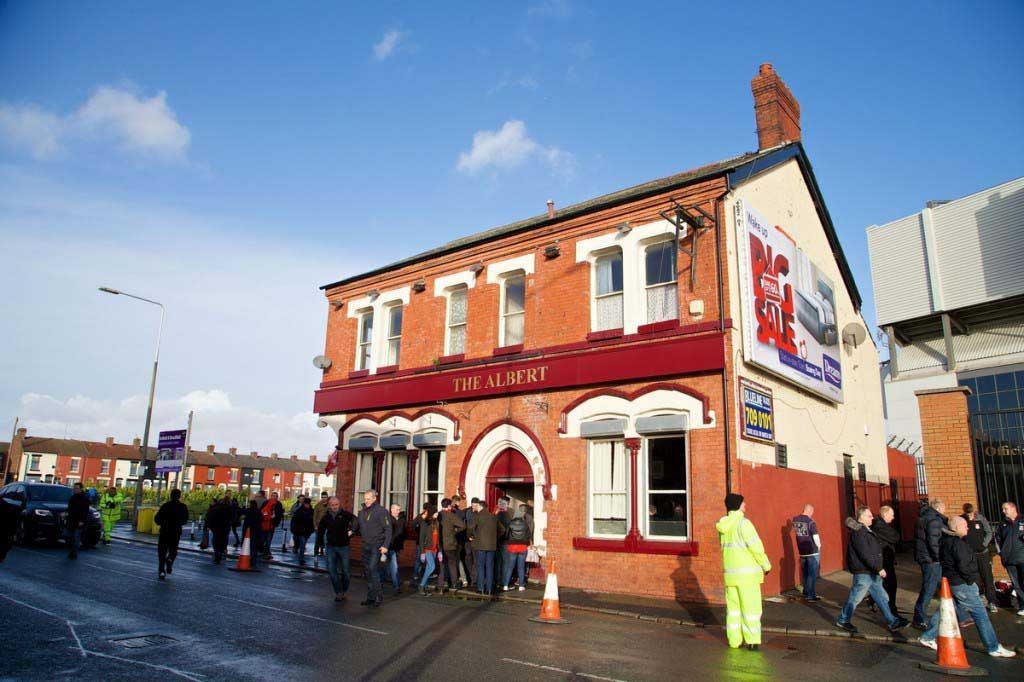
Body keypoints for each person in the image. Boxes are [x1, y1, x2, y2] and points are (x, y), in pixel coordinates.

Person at [918, 515, 1016, 657]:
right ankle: (993, 647)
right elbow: (964, 566)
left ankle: (927, 636)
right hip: (962, 584)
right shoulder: (958, 544)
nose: (967, 528)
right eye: (964, 526)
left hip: (952, 581)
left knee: (947, 610)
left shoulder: (945, 541)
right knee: (981, 615)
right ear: (956, 528)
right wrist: (972, 581)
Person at [835, 506, 909, 635]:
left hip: (870, 572)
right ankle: (843, 619)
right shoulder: (859, 533)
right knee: (855, 598)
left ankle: (892, 621)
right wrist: (879, 568)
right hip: (864, 572)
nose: (872, 518)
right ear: (861, 518)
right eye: (869, 516)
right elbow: (865, 553)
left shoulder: (866, 530)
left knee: (881, 597)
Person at [716, 493, 771, 650]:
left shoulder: (723, 526)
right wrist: (766, 565)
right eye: (743, 502)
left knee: (733, 610)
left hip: (730, 576)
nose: (745, 505)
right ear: (737, 505)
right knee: (751, 609)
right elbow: (756, 547)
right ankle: (752, 640)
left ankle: (734, 641)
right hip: (747, 577)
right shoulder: (744, 524)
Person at [350, 490, 392, 607]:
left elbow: (388, 529)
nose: (366, 500)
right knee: (367, 571)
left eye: (368, 498)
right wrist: (352, 531)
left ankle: (379, 596)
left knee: (373, 569)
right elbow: (358, 524)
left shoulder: (381, 511)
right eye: (365, 498)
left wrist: (385, 545)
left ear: (374, 498)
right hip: (365, 545)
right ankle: (370, 596)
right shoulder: (362, 512)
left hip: (377, 545)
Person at [912, 499, 948, 628]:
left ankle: (959, 614)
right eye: (944, 508)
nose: (945, 511)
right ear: (938, 508)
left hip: (925, 557)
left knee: (940, 586)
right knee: (929, 588)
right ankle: (919, 617)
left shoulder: (924, 517)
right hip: (931, 559)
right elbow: (934, 542)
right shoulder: (934, 520)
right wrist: (938, 557)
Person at [961, 503, 997, 613]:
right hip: (970, 554)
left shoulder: (981, 519)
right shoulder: (962, 519)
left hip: (983, 553)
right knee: (973, 577)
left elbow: (989, 532)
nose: (970, 514)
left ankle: (992, 601)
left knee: (987, 576)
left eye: (970, 512)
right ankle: (978, 599)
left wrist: (984, 544)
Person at [319, 496, 355, 601]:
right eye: (333, 505)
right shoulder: (326, 517)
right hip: (330, 546)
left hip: (344, 546)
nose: (335, 507)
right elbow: (320, 531)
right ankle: (338, 592)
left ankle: (344, 590)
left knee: (346, 571)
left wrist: (352, 531)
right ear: (329, 506)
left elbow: (356, 521)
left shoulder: (345, 515)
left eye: (336, 504)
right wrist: (319, 545)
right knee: (331, 570)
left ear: (339, 504)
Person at [468, 498, 504, 596]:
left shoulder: (477, 516)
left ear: (480, 506)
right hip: (492, 545)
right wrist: (495, 538)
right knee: (490, 567)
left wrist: (471, 536)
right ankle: (489, 589)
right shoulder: (493, 517)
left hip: (480, 545)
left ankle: (480, 588)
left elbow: (470, 528)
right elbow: (502, 530)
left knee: (480, 567)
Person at [995, 501, 1024, 616]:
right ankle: (1022, 606)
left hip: (1022, 557)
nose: (1003, 511)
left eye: (1005, 509)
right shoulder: (1002, 525)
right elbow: (998, 540)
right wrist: (1002, 554)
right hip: (1009, 559)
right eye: (1003, 509)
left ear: (1013, 508)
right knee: (1017, 584)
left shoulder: (1022, 520)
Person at [871, 505, 901, 616]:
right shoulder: (880, 526)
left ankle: (875, 601)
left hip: (885, 559)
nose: (893, 518)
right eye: (891, 515)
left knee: (880, 584)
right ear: (885, 514)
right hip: (884, 560)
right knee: (890, 585)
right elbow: (895, 537)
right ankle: (891, 610)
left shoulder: (881, 525)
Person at [154, 489, 189, 579]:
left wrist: (161, 523)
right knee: (173, 549)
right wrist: (178, 523)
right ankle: (170, 559)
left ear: (170, 495)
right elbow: (185, 520)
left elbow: (157, 518)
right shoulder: (183, 507)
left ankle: (162, 570)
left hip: (165, 531)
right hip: (176, 531)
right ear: (179, 496)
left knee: (162, 551)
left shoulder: (165, 506)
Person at [791, 504, 821, 602]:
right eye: (812, 512)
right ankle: (810, 595)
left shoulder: (795, 519)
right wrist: (819, 547)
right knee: (812, 574)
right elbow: (815, 536)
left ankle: (806, 591)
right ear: (809, 511)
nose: (812, 514)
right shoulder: (811, 522)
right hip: (812, 551)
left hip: (802, 551)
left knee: (805, 573)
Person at [437, 497, 465, 592]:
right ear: (449, 506)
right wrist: (455, 531)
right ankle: (454, 583)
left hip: (440, 544)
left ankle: (442, 583)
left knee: (442, 564)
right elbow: (462, 525)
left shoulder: (438, 515)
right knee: (452, 564)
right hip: (451, 544)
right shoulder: (451, 515)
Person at [503, 504, 532, 591]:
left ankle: (505, 585)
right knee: (521, 567)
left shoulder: (510, 523)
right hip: (522, 547)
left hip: (512, 547)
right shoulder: (525, 524)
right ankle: (521, 585)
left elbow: (506, 535)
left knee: (510, 567)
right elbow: (528, 535)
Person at [416, 504, 442, 595]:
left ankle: (423, 586)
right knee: (432, 567)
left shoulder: (437, 523)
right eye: (435, 512)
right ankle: (421, 585)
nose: (437, 514)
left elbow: (438, 538)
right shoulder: (425, 523)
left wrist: (440, 551)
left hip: (434, 549)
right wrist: (422, 552)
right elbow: (421, 538)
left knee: (428, 567)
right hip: (427, 548)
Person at [381, 504, 405, 593]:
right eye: (396, 510)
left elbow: (402, 534)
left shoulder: (401, 520)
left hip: (396, 547)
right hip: (388, 546)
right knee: (394, 566)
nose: (398, 511)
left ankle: (381, 582)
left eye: (399, 510)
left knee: (387, 568)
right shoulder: (388, 520)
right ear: (391, 510)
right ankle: (396, 586)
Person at [66, 482, 91, 560]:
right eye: (74, 488)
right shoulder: (73, 497)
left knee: (76, 537)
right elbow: (70, 508)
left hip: (79, 521)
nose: (74, 490)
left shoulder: (84, 498)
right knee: (70, 537)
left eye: (76, 488)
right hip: (71, 520)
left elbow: (85, 511)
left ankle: (74, 553)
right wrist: (65, 512)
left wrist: (82, 521)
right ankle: (71, 551)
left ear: (81, 489)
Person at [204, 495, 232, 564]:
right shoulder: (229, 508)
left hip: (216, 527)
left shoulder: (215, 508)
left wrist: (208, 526)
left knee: (216, 541)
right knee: (223, 539)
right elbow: (233, 517)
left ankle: (217, 554)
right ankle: (222, 550)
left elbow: (209, 517)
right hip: (225, 527)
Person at [455, 495, 474, 588]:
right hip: (465, 539)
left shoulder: (462, 512)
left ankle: (463, 578)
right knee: (463, 559)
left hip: (460, 539)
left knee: (460, 559)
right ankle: (466, 578)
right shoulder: (463, 513)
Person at [290, 496, 315, 566]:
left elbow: (312, 521)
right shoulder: (300, 511)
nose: (307, 505)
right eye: (306, 504)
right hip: (300, 531)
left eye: (308, 504)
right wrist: (294, 529)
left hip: (306, 531)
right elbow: (295, 521)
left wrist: (311, 530)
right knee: (302, 545)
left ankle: (301, 558)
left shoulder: (311, 511)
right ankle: (301, 559)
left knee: (303, 545)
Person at [495, 497, 512, 594]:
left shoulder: (496, 515)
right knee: (506, 563)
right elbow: (507, 530)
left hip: (497, 542)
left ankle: (497, 581)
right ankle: (504, 583)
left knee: (498, 562)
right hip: (505, 542)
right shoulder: (507, 515)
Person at [241, 499, 263, 567]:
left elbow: (246, 522)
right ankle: (254, 561)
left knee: (248, 546)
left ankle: (249, 560)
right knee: (254, 547)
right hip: (256, 531)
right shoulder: (259, 512)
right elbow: (261, 521)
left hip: (249, 531)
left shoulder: (249, 511)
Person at [313, 491, 330, 557]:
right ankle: (316, 554)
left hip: (328, 525)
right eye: (323, 497)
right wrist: (315, 526)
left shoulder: (330, 505)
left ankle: (325, 552)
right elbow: (314, 516)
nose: (324, 499)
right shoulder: (318, 505)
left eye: (325, 497)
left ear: (327, 497)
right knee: (317, 540)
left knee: (326, 539)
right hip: (319, 525)